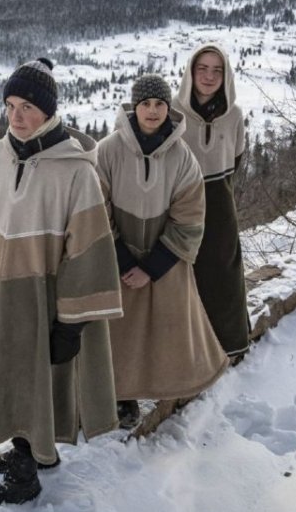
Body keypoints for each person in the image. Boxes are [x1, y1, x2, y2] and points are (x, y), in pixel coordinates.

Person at [0, 58, 122, 511]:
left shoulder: (76, 171)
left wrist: (72, 325)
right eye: (9, 105)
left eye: (26, 107)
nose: (15, 116)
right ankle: (25, 446)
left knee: (34, 377)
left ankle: (28, 470)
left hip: (46, 299)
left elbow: (89, 251)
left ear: (48, 111)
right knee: (7, 373)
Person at [97, 74, 229, 428]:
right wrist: (124, 260)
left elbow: (189, 218)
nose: (152, 111)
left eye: (159, 104)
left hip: (163, 256)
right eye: (145, 104)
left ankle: (165, 385)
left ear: (168, 108)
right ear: (133, 107)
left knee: (169, 325)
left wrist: (153, 266)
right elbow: (94, 210)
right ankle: (118, 397)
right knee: (115, 331)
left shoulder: (183, 158)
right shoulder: (107, 151)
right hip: (114, 256)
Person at [172, 45, 251, 362]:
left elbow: (236, 157)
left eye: (217, 70)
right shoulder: (173, 112)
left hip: (220, 203)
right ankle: (189, 350)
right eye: (202, 68)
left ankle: (230, 344)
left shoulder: (233, 115)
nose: (209, 76)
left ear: (226, 75)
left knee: (223, 272)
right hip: (181, 203)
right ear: (191, 72)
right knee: (185, 275)